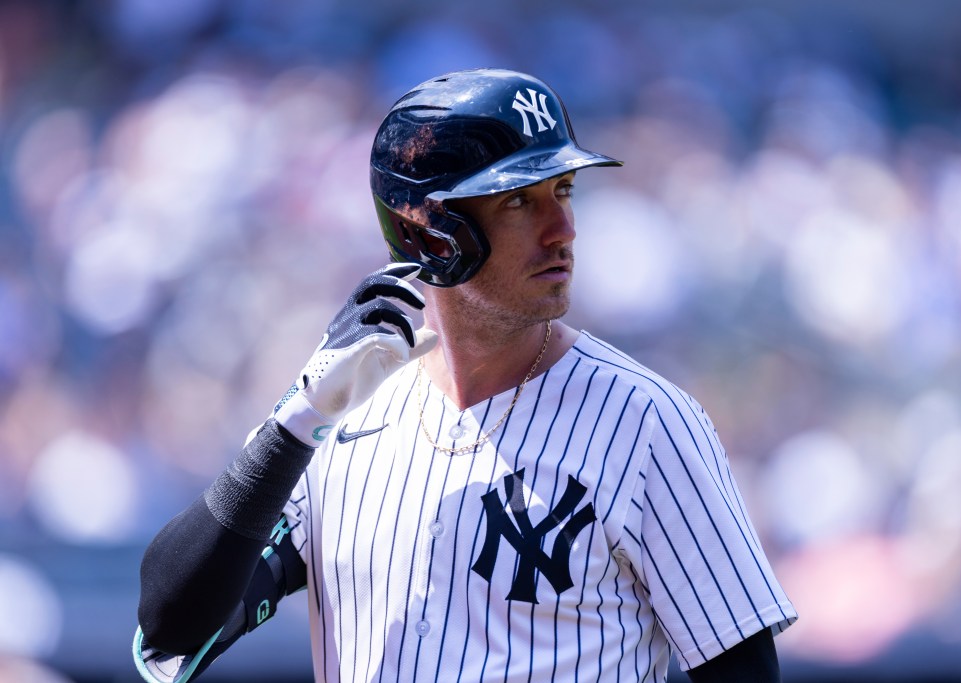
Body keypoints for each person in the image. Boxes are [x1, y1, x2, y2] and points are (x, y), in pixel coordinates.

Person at [133, 68, 798, 683]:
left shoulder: (649, 422)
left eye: (563, 191)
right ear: (427, 228)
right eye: (519, 202)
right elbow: (171, 625)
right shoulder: (338, 419)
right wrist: (294, 421)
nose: (562, 228)